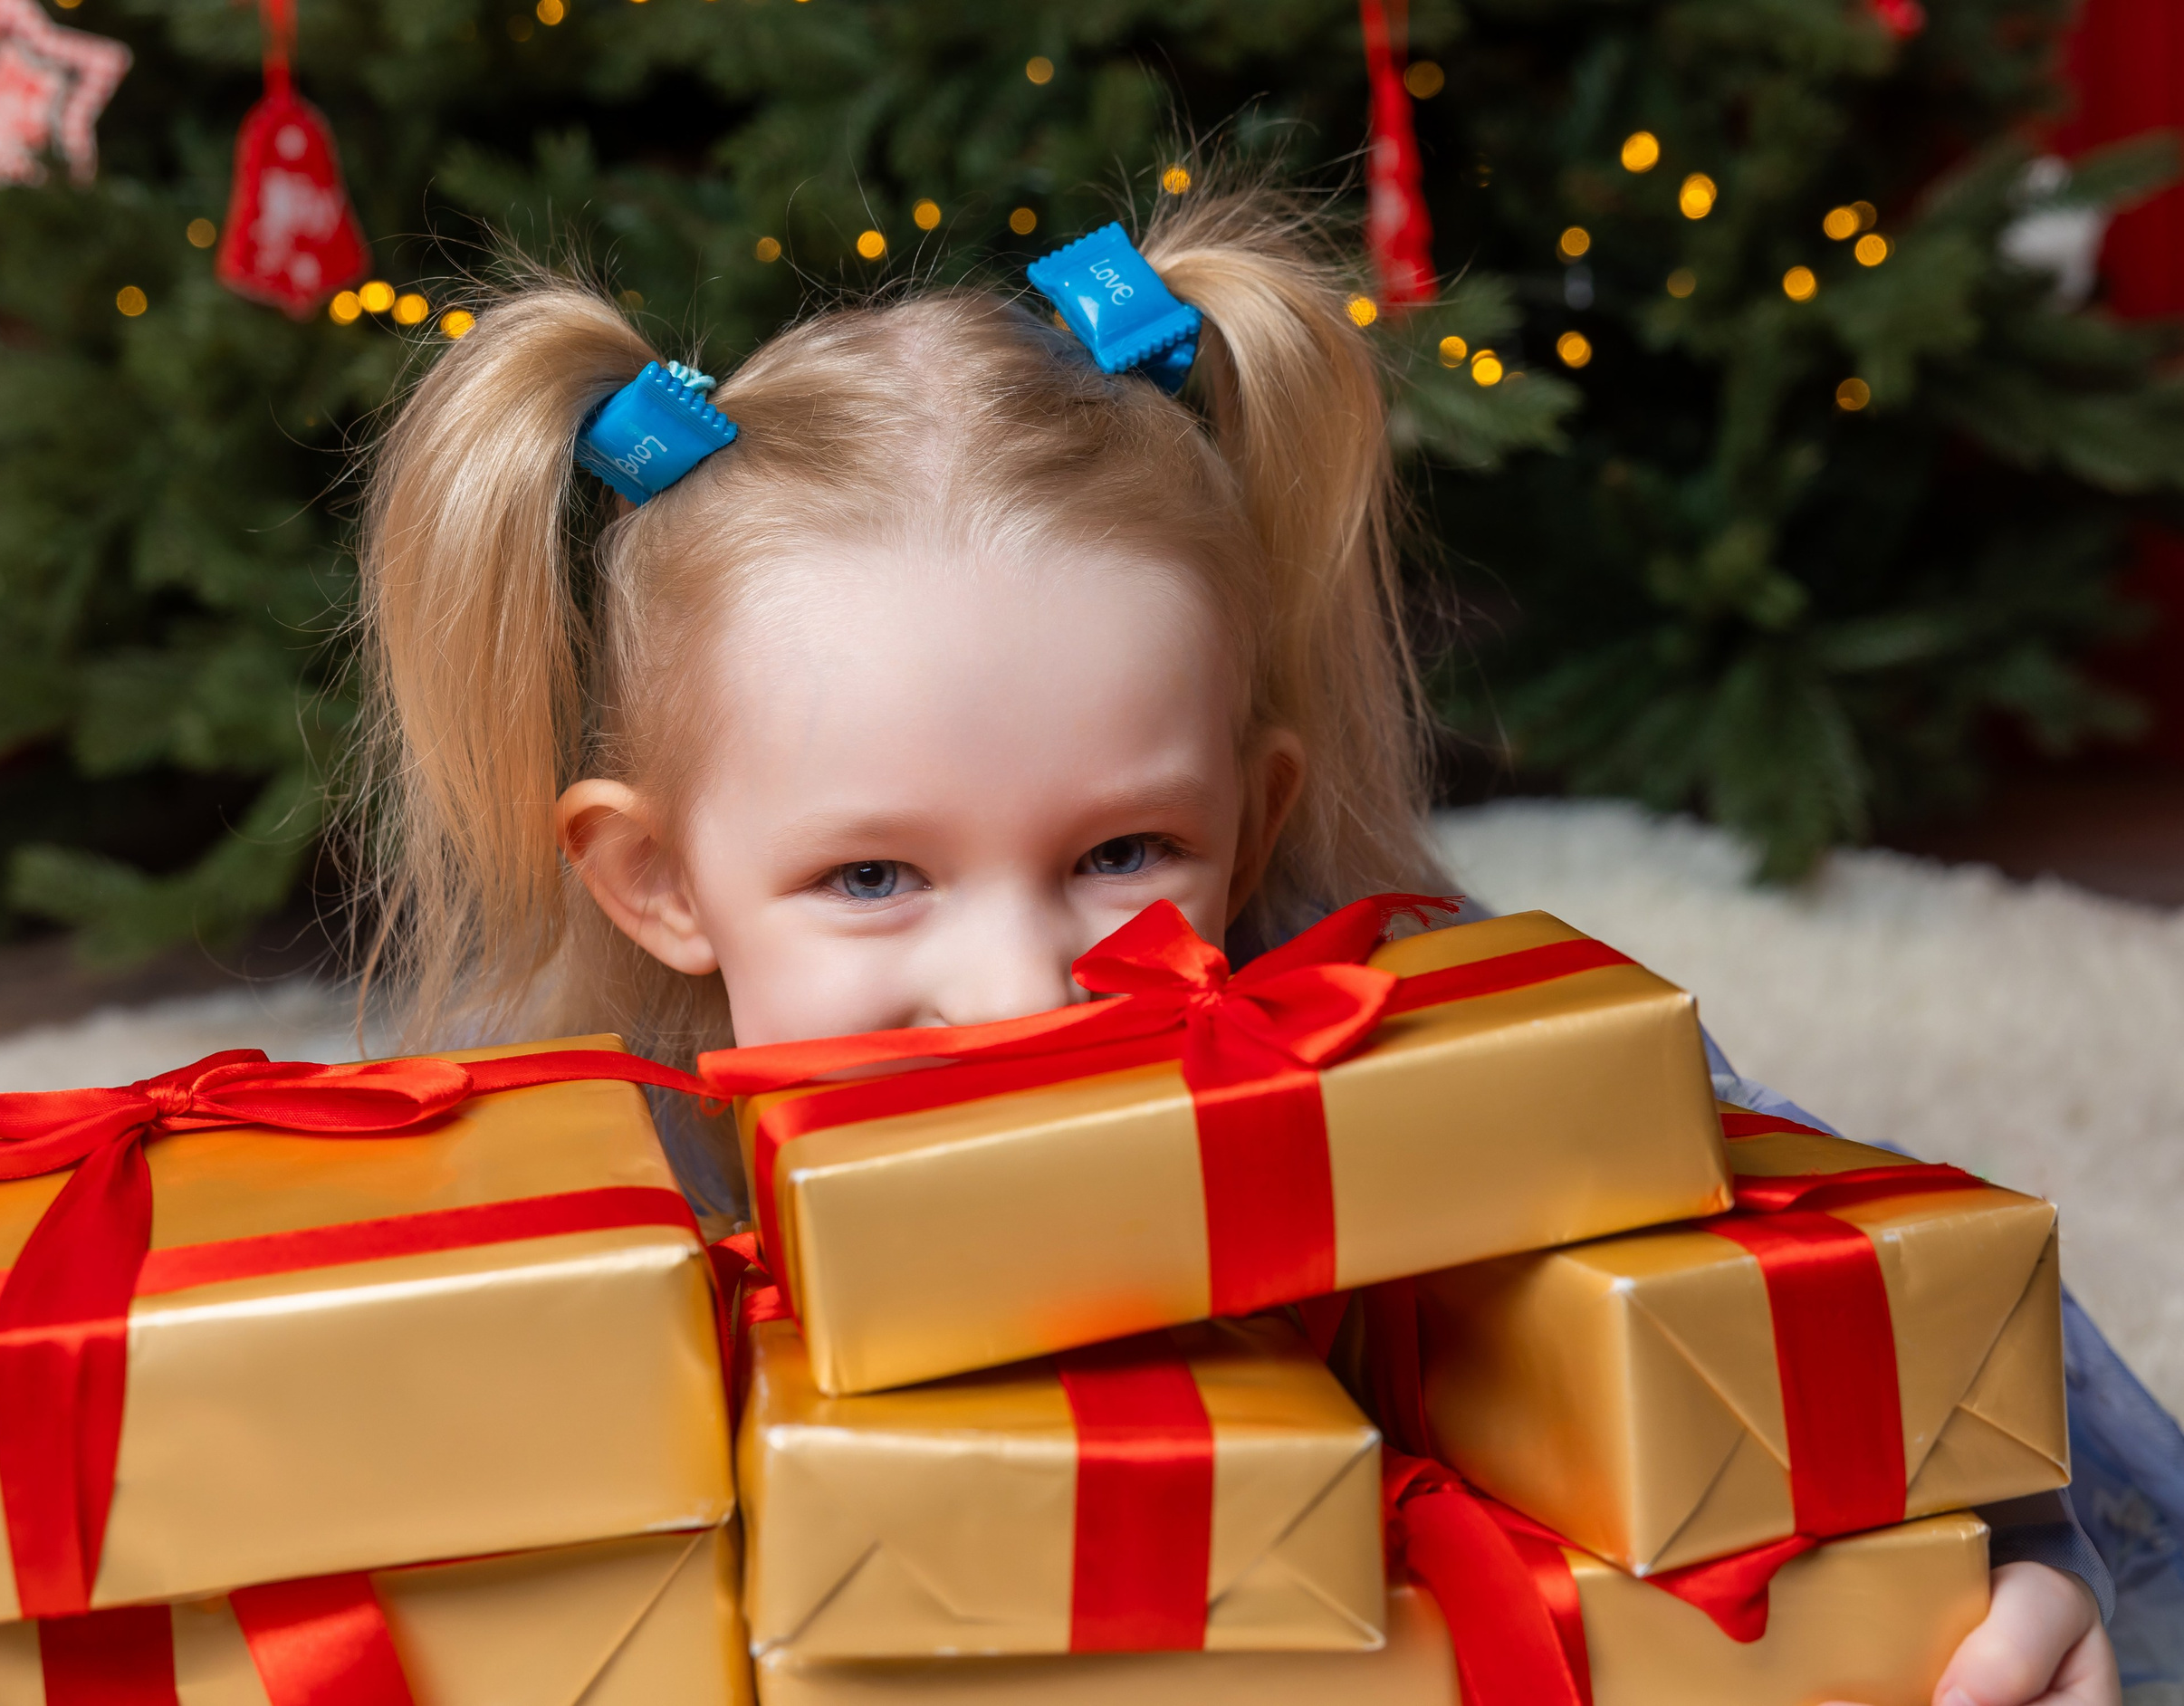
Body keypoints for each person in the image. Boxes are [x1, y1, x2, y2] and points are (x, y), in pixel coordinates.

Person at [350, 184, 2123, 1704]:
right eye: (875, 877)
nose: (1016, 991)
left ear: (1254, 819)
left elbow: (1933, 1325)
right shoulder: (590, 1243)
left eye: (1120, 851)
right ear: (653, 880)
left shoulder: (1434, 1092)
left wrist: (2033, 1575)